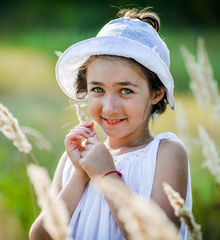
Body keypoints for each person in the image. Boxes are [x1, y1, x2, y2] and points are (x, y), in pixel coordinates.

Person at [29, 8, 192, 240]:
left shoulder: (166, 153)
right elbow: (40, 236)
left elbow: (158, 236)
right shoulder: (74, 159)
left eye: (126, 90)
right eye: (98, 89)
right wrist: (81, 174)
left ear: (156, 93)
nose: (109, 107)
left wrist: (106, 175)